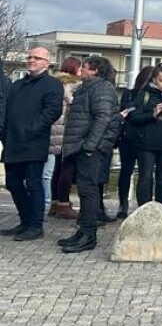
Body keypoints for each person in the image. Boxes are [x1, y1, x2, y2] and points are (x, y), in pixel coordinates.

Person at [56, 57, 120, 253]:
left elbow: (103, 118)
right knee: (84, 190)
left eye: (84, 67)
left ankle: (89, 235)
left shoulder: (102, 88)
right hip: (81, 146)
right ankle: (83, 231)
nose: (80, 70)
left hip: (90, 148)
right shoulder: (87, 88)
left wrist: (90, 146)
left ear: (95, 70)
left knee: (89, 190)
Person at [2, 47, 65, 240]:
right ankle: (25, 220)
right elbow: (6, 109)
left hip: (34, 142)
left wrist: (32, 130)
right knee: (13, 183)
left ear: (47, 62)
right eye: (29, 57)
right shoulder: (17, 85)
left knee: (33, 183)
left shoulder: (52, 84)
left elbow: (52, 111)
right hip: (12, 141)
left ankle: (36, 225)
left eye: (36, 57)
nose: (31, 60)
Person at [125, 63, 162, 206]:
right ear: (154, 79)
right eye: (161, 80)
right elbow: (134, 118)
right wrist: (153, 114)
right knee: (145, 177)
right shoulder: (144, 94)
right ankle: (144, 209)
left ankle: (161, 208)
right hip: (146, 144)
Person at [113, 65, 155, 219]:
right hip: (129, 137)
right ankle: (123, 204)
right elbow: (126, 112)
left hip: (145, 138)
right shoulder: (129, 93)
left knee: (145, 173)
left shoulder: (154, 95)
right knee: (127, 171)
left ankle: (143, 205)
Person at [48, 56, 82, 220]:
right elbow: (72, 103)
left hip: (54, 129)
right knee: (67, 167)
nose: (81, 72)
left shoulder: (55, 82)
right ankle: (63, 203)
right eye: (80, 68)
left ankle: (55, 203)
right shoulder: (72, 84)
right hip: (65, 129)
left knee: (57, 168)